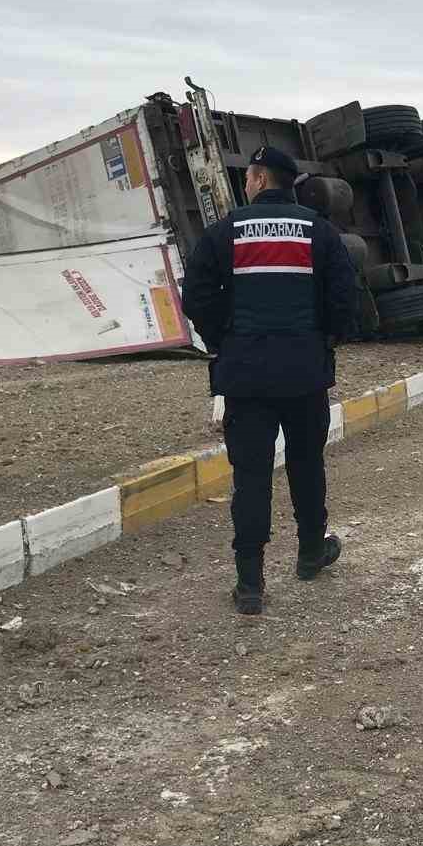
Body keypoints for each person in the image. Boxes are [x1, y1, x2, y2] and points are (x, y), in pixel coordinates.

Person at [181, 146, 359, 615]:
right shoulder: (319, 232)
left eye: (249, 177)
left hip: (246, 375)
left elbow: (196, 297)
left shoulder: (225, 232)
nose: (246, 184)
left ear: (259, 180)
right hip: (305, 372)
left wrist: (225, 338)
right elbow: (345, 296)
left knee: (252, 475)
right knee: (306, 465)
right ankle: (309, 555)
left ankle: (250, 583)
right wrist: (324, 339)